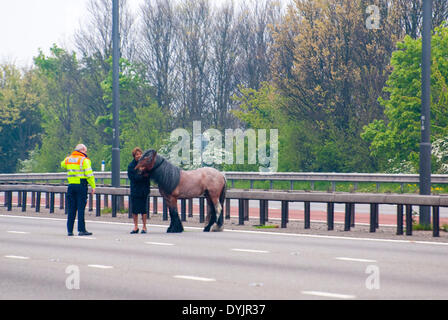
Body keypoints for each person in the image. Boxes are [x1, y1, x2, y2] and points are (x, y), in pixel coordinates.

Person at [61, 144, 96, 236]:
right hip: (81, 185)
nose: (86, 153)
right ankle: (81, 230)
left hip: (71, 186)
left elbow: (62, 164)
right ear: (82, 150)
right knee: (80, 209)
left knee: (71, 209)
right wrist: (93, 186)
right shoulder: (84, 160)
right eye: (85, 151)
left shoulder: (68, 159)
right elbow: (89, 174)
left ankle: (69, 230)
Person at [127, 147, 151, 234]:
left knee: (143, 209)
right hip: (135, 190)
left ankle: (144, 227)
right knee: (135, 209)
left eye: (140, 154)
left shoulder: (145, 165)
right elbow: (133, 178)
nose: (139, 156)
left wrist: (143, 173)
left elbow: (148, 176)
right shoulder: (131, 166)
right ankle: (135, 226)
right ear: (134, 156)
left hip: (144, 190)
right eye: (137, 154)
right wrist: (139, 172)